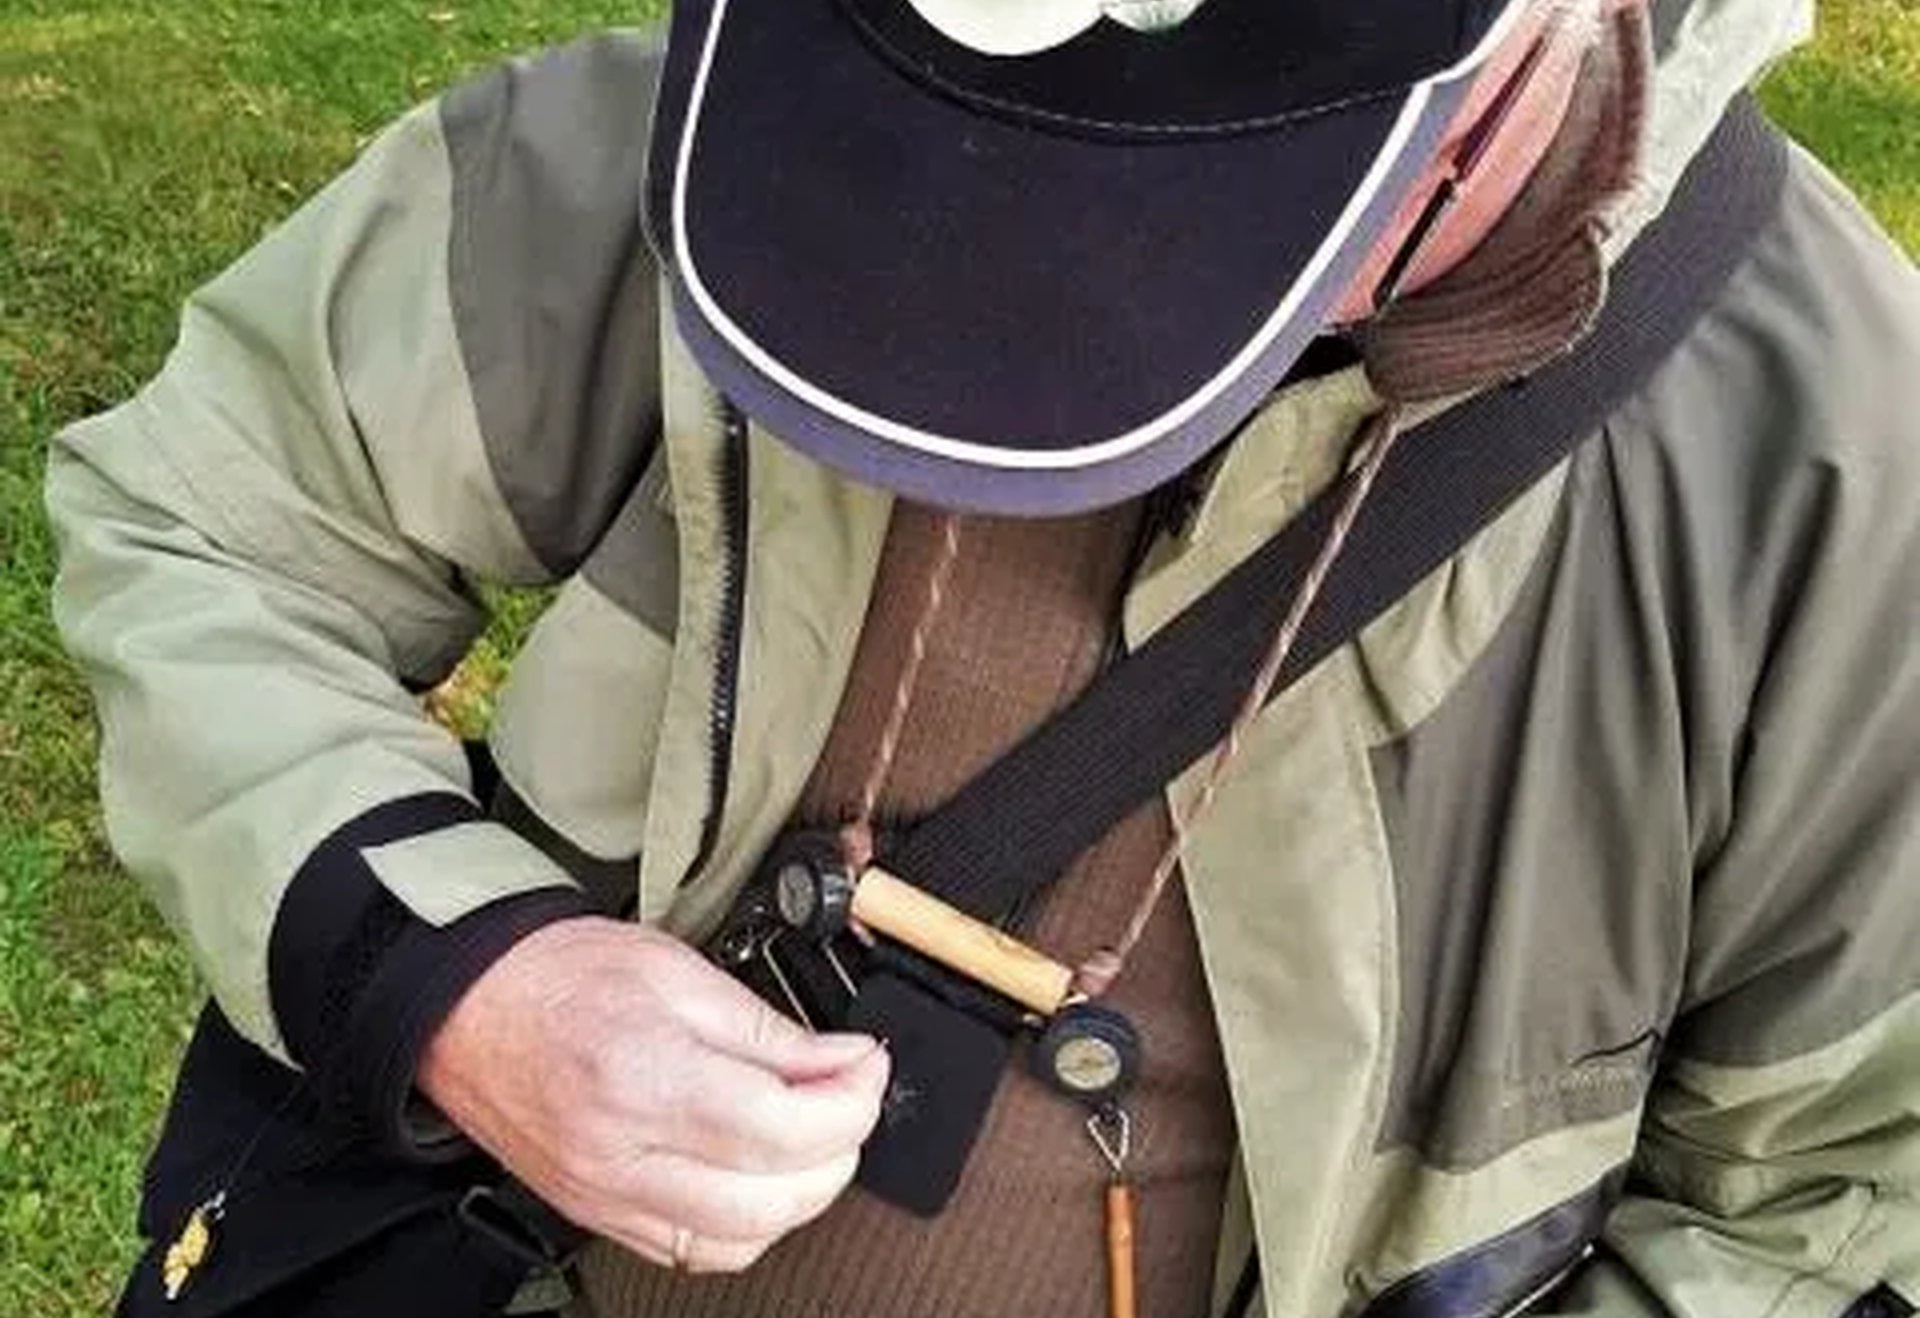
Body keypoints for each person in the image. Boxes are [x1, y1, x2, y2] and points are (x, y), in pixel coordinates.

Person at [44, 0, 1920, 1314]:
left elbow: (1847, 1195)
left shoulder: (1838, 451)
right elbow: (210, 519)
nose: (1040, 265)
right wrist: (457, 985)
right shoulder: (690, 149)